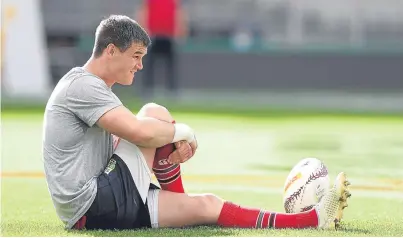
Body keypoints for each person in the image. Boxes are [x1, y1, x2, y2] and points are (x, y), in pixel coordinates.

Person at [43, 15, 351, 231]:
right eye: (136, 56)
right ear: (111, 51)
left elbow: (123, 145)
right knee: (153, 112)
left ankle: (310, 220)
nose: (140, 65)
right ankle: (177, 196)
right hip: (94, 202)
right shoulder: (82, 86)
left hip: (99, 208)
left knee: (207, 205)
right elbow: (138, 131)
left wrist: (166, 144)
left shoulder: (94, 90)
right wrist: (183, 133)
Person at [136, 0, 188, 98]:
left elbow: (179, 13)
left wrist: (180, 31)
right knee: (149, 65)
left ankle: (172, 90)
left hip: (168, 35)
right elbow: (144, 12)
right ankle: (147, 90)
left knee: (170, 65)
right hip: (153, 35)